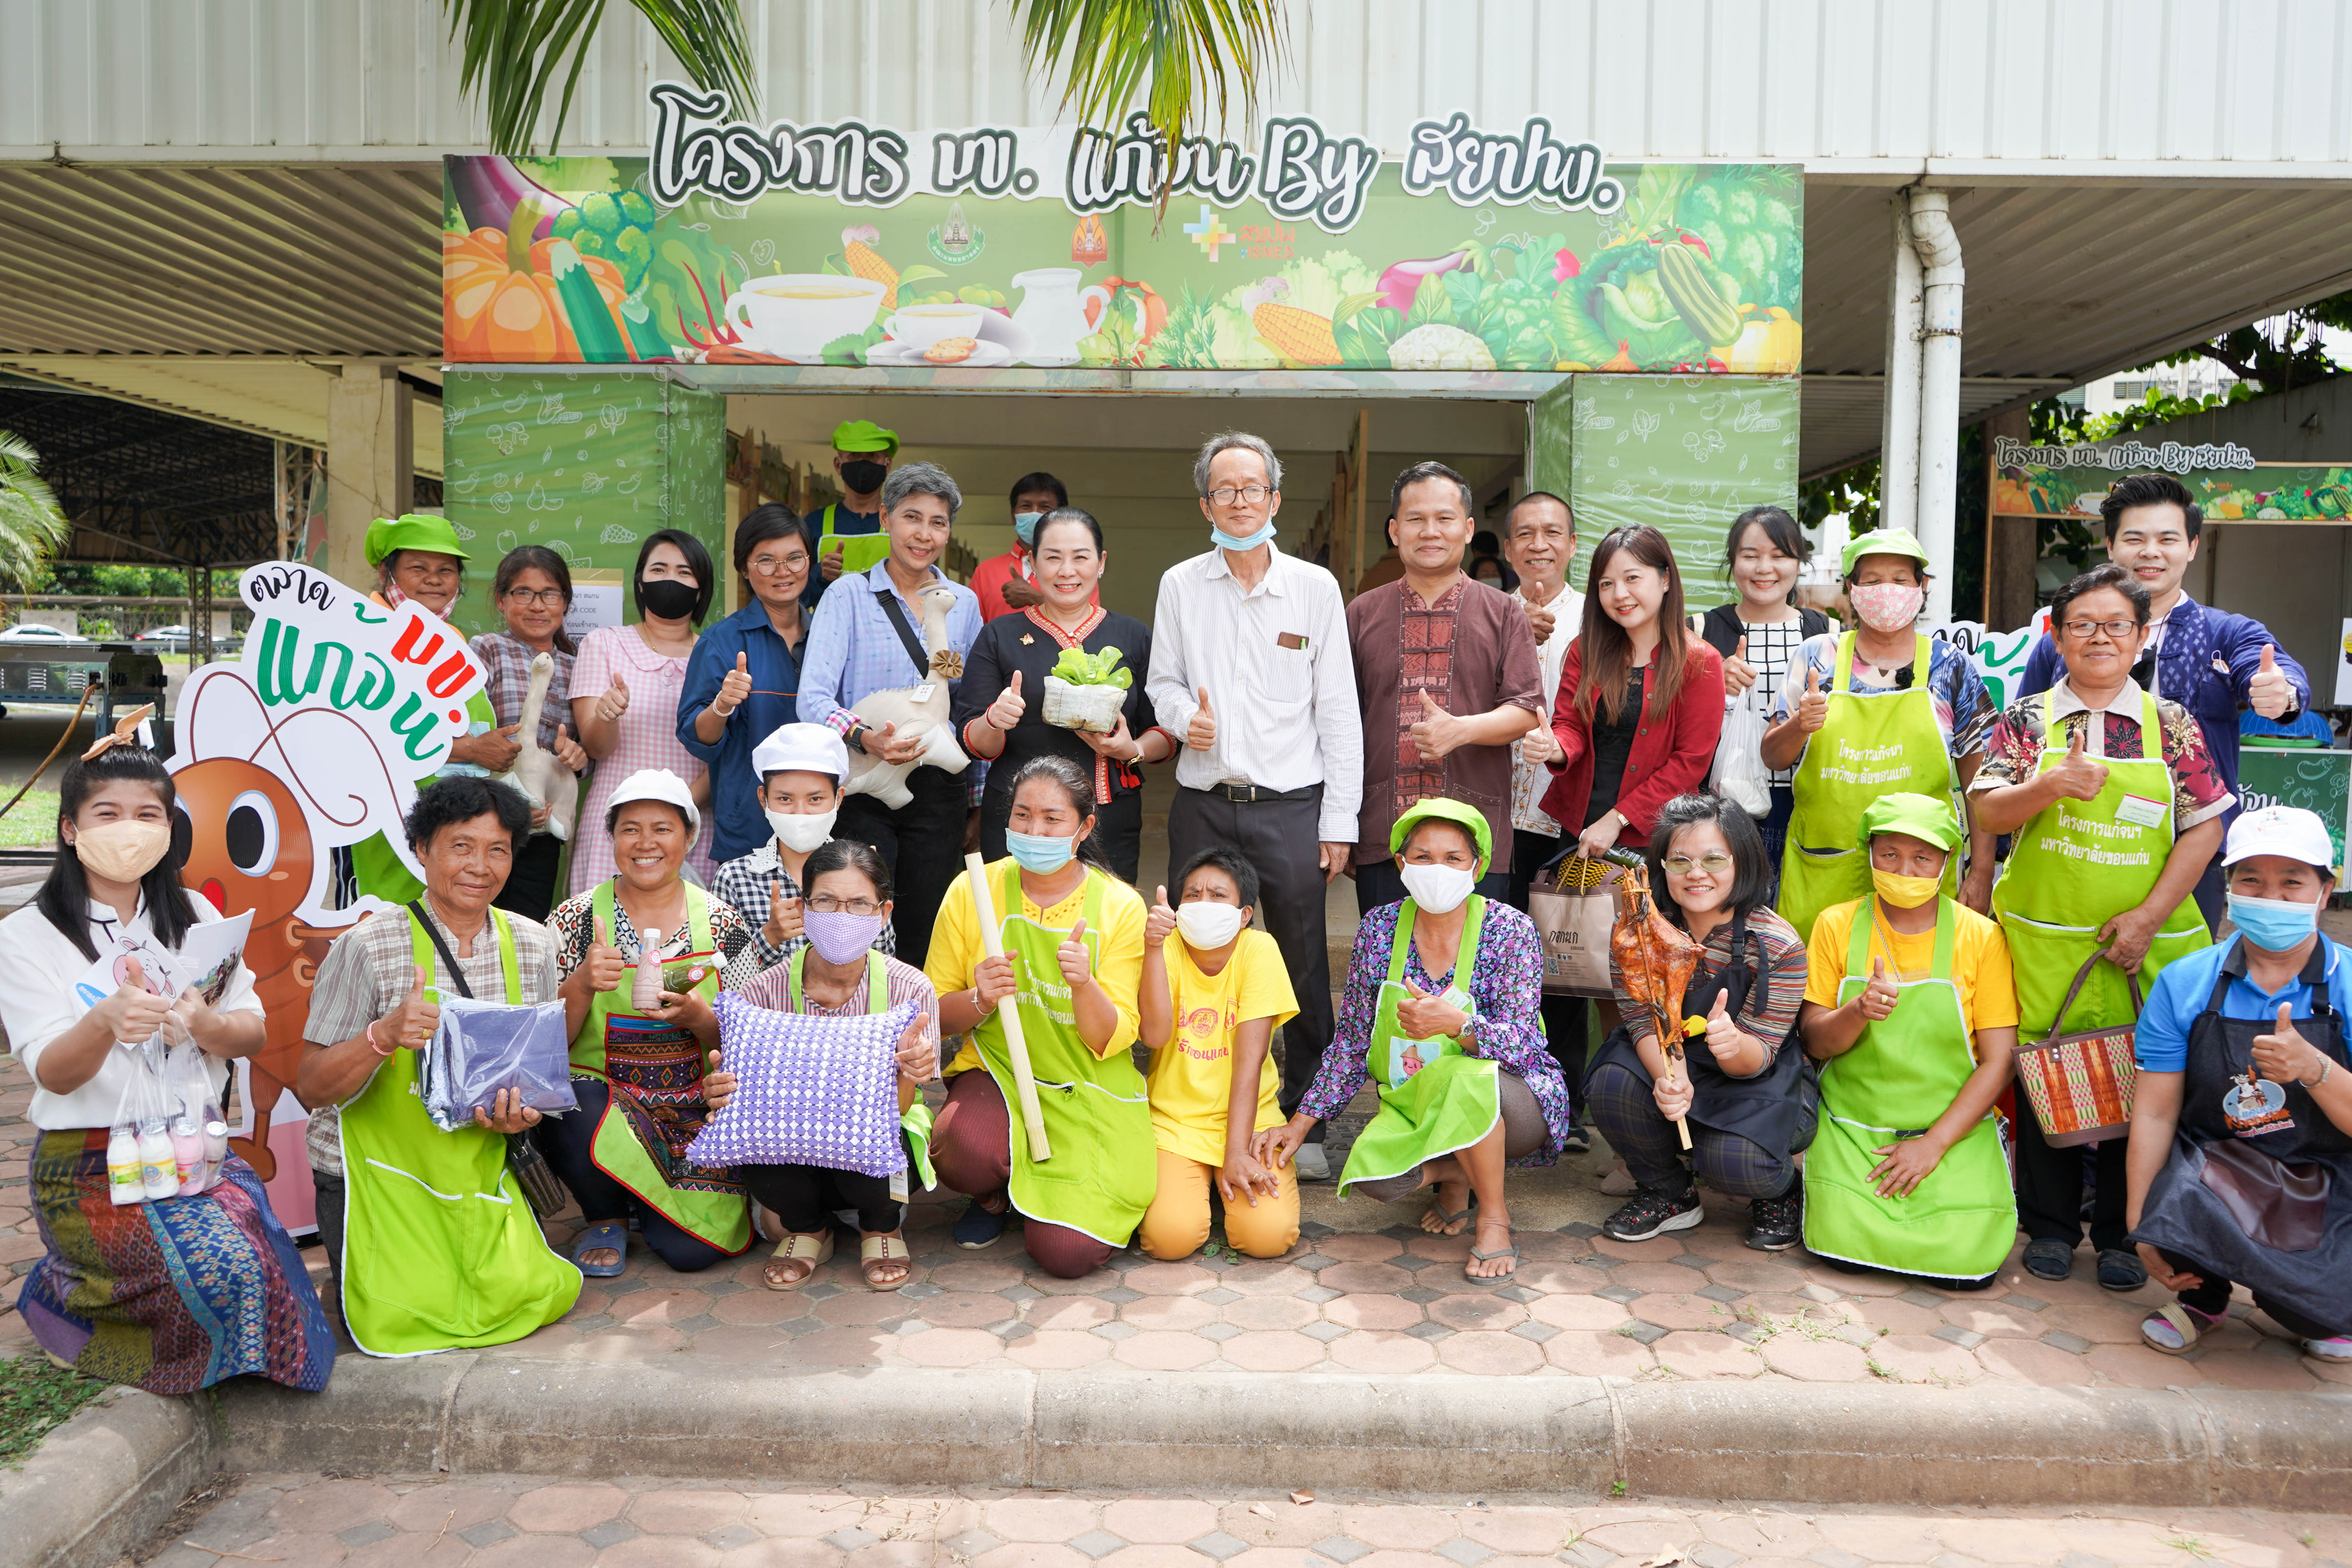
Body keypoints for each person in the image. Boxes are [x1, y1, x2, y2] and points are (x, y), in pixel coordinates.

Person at [3, 730, 334, 1393]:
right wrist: (102, 1021)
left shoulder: (196, 916)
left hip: (191, 1147)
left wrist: (206, 1024)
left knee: (262, 1264)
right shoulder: (25, 934)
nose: (129, 829)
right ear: (70, 828)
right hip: (90, 1161)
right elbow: (54, 1073)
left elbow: (251, 1034)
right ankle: (67, 1300)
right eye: (107, 813)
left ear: (168, 828)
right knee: (219, 1273)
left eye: (147, 814)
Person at [1971, 563, 2227, 1289]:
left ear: (2141, 637)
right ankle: (2050, 1225)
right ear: (2057, 636)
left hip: (2145, 942)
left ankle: (2121, 1231)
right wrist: (2048, 784)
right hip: (2045, 938)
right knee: (2041, 1068)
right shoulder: (2028, 720)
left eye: (2117, 624)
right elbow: (1987, 808)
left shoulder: (2170, 724)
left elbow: (2206, 829)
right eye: (2082, 624)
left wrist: (2147, 918)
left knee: (2142, 1073)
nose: (2100, 637)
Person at [298, 776, 579, 1354]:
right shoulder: (367, 946)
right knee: (393, 1318)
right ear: (422, 849)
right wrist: (382, 1036)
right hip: (376, 1178)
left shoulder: (533, 945)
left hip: (479, 1170)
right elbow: (312, 1086)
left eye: (498, 849)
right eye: (461, 846)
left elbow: (532, 1077)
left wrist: (522, 1115)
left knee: (527, 1298)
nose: (480, 866)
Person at [1147, 431, 1362, 1182]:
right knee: (1195, 954)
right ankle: (1188, 1108)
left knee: (1303, 964)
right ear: (1205, 504)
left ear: (1274, 498)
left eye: (1252, 488)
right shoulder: (1181, 584)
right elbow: (1162, 682)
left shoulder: (1313, 588)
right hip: (1205, 803)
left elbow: (1338, 711)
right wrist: (1185, 720)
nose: (1239, 501)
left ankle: (1308, 1119)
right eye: (1224, 490)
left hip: (1291, 806)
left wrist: (1338, 821)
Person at [1267, 799, 1571, 1280]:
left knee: (1465, 1079)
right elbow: (1352, 1041)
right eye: (1423, 857)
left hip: (1512, 1102)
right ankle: (1458, 1174)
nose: (1437, 869)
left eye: (1453, 858)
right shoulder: (1379, 929)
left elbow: (1524, 1045)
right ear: (1401, 863)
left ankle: (1493, 1218)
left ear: (1477, 866)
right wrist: (1300, 1123)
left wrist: (1459, 1025)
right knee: (1375, 1178)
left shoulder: (1509, 929)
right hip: (1418, 1103)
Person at [2015, 472, 2311, 929]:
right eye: (2135, 538)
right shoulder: (2063, 640)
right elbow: (2020, 741)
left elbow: (2271, 669)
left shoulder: (2224, 632)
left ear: (2191, 547)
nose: (2150, 552)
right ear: (2110, 546)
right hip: (2066, 846)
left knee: (2180, 971)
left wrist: (2282, 693)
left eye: (2167, 539)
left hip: (2188, 852)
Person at [2123, 806, 2352, 1365]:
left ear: (2325, 893)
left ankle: (2308, 1300)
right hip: (2218, 1170)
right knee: (2173, 1203)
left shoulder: (2348, 982)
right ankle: (2203, 1298)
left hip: (2325, 1175)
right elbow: (2154, 1113)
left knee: (2319, 1314)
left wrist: (2315, 1068)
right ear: (2229, 890)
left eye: (2292, 882)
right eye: (2251, 879)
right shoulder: (2185, 981)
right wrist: (2141, 1223)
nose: (2270, 896)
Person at [926, 756, 1152, 1271]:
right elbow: (932, 1015)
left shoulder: (1120, 905)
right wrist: (980, 998)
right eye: (1022, 816)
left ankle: (1047, 1200)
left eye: (1052, 819)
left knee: (1066, 1255)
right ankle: (994, 1196)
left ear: (1084, 827)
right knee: (960, 1148)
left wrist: (1084, 985)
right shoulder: (972, 889)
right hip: (999, 1070)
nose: (1034, 831)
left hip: (1087, 1082)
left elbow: (1112, 1037)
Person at [544, 769, 764, 1276]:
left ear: (689, 837)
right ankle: (606, 1215)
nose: (646, 843)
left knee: (691, 1253)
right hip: (604, 1108)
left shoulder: (724, 924)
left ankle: (650, 1203)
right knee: (569, 1100)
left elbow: (753, 1042)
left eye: (663, 829)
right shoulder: (574, 920)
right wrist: (582, 983)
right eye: (630, 829)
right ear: (611, 837)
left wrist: (700, 1018)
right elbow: (545, 1046)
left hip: (695, 1111)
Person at [1798, 794, 2019, 1289]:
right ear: (1869, 853)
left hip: (1953, 1131)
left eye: (1922, 857)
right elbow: (1814, 1041)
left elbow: (1999, 1062)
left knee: (1966, 1263)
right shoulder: (1835, 924)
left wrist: (1932, 1145)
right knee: (1842, 1247)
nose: (1904, 869)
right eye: (1889, 854)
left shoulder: (1981, 938)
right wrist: (1857, 1011)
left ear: (1947, 859)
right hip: (1854, 1130)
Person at [1584, 794, 1814, 1251]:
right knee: (1611, 1082)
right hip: (1673, 1059)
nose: (1696, 873)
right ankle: (1669, 1193)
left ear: (1742, 862)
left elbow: (1760, 1054)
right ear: (1661, 865)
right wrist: (1671, 1077)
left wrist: (1733, 1045)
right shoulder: (1637, 932)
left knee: (1732, 1161)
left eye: (1714, 859)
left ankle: (1782, 1191)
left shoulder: (1777, 943)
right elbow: (1642, 1021)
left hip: (1757, 1080)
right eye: (1680, 860)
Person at [1762, 527, 1997, 940]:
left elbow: (1981, 783)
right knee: (1821, 975)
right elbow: (1772, 756)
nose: (1886, 590)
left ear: (1922, 587)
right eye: (1872, 581)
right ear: (1852, 588)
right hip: (1824, 867)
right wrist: (1799, 724)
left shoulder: (1950, 666)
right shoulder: (1817, 655)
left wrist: (1981, 872)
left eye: (1900, 579)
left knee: (1917, 975)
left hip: (1919, 877)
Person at [729, 839, 941, 1292]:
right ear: (804, 908)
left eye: (859, 903)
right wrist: (726, 1093)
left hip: (874, 1156)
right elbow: (742, 1093)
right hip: (794, 1152)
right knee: (755, 1147)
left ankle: (881, 1226)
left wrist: (909, 1069)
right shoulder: (762, 992)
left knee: (882, 1146)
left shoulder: (910, 988)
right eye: (825, 901)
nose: (842, 915)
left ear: (883, 913)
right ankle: (809, 1228)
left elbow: (901, 1108)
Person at [797, 462, 985, 966]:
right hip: (865, 779)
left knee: (929, 920)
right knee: (859, 913)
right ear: (885, 519)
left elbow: (969, 704)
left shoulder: (964, 604)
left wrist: (976, 800)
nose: (924, 534)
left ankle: (916, 1014)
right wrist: (865, 737)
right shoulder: (846, 596)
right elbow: (813, 697)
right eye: (912, 517)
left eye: (938, 522)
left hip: (938, 788)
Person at [1346, 461, 1543, 913]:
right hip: (1386, 835)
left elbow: (1527, 710)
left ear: (1468, 529)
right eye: (1416, 519)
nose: (1430, 531)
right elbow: (1341, 721)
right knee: (1387, 954)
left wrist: (1462, 730)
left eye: (1444, 518)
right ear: (1395, 531)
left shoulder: (1504, 613)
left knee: (1476, 957)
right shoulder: (1361, 614)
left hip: (1474, 837)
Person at [956, 506, 1169, 882]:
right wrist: (994, 720)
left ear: (1101, 563)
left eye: (1081, 557)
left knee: (1106, 916)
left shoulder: (1134, 636)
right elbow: (973, 741)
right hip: (1020, 819)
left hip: (1108, 817)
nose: (1067, 571)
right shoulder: (999, 636)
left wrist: (1130, 749)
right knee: (1014, 917)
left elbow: (1165, 733)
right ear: (1033, 564)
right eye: (1053, 558)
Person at [1136, 847, 1302, 1262]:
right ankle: (1200, 1187)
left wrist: (1237, 1152)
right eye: (1192, 895)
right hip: (1175, 1122)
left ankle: (1218, 1179)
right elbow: (1154, 1036)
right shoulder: (1167, 946)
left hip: (1252, 1122)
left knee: (1267, 1237)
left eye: (1217, 895)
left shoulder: (1258, 949)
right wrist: (1152, 947)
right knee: (1169, 1239)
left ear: (1244, 914)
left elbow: (1249, 1063)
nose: (1203, 903)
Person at [347, 513, 519, 905]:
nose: (434, 580)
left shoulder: (452, 637)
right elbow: (364, 731)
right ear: (386, 573)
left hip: (453, 821)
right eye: (418, 568)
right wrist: (472, 749)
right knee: (385, 922)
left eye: (446, 570)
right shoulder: (365, 633)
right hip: (383, 820)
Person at [1539, 525, 1724, 865]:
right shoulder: (1586, 650)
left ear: (1665, 579)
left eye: (1632, 578)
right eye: (1606, 584)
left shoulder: (1700, 661)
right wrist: (1555, 747)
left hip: (1653, 834)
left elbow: (1691, 762)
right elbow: (1570, 724)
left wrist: (1617, 819)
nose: (1620, 594)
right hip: (1581, 827)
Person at [1498, 492, 1590, 1120]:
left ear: (1572, 545)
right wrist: (1511, 635)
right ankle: (1505, 1097)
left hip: (1566, 814)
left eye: (1553, 532)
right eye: (1526, 534)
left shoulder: (1596, 617)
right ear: (1508, 548)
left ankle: (1568, 1103)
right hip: (1496, 817)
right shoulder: (1488, 610)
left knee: (1565, 963)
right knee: (1500, 957)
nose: (1539, 545)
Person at [566, 529, 717, 895]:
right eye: (659, 569)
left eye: (684, 572)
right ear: (640, 583)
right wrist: (607, 716)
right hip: (617, 824)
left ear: (701, 589)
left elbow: (728, 756)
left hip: (692, 823)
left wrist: (678, 809)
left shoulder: (718, 654)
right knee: (605, 927)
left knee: (689, 928)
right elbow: (596, 747)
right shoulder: (604, 644)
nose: (670, 579)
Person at [1694, 505, 1832, 881]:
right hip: (1725, 803)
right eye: (1751, 556)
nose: (1764, 568)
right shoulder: (1700, 630)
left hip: (1809, 800)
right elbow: (1674, 721)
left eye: (1779, 555)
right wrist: (1712, 684)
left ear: (1799, 563)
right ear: (1733, 562)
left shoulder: (1828, 632)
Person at [678, 504, 811, 865]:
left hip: (823, 828)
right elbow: (696, 737)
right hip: (749, 832)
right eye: (766, 561)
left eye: (795, 559)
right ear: (744, 569)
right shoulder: (722, 641)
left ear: (809, 561)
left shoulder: (829, 636)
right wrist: (721, 706)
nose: (783, 571)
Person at [711, 722, 894, 972]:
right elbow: (720, 973)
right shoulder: (735, 878)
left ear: (838, 798)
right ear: (764, 798)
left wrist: (867, 892)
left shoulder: (863, 873)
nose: (800, 812)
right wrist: (770, 936)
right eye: (785, 799)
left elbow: (885, 966)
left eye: (815, 799)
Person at [472, 545, 593, 922]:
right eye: (523, 593)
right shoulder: (487, 649)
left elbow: (585, 750)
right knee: (472, 917)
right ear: (502, 600)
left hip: (542, 831)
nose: (537, 605)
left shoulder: (579, 665)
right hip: (485, 818)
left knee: (524, 925)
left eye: (550, 594)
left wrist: (579, 757)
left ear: (565, 602)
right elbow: (465, 731)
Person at [969, 471, 1092, 621]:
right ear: (1013, 516)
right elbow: (973, 630)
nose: (1035, 514)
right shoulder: (985, 571)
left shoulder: (1081, 570)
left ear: (1062, 516)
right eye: (1026, 506)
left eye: (1045, 507)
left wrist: (1036, 598)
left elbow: (1090, 625)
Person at [805, 419, 898, 604]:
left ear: (887, 465)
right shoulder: (813, 524)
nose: (863, 463)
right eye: (854, 455)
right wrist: (819, 575)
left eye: (872, 456)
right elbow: (794, 596)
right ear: (838, 465)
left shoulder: (901, 524)